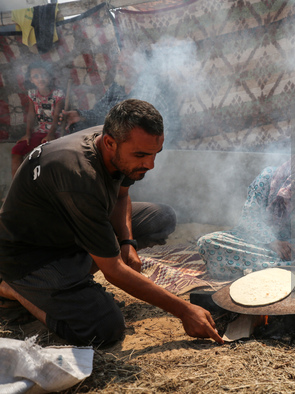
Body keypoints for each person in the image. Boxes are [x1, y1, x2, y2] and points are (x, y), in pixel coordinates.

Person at [0, 99, 223, 346]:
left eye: (154, 154)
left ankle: (75, 277)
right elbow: (114, 271)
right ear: (109, 143)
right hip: (30, 258)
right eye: (141, 155)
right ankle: (14, 290)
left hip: (68, 232)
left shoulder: (113, 138)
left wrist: (128, 242)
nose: (150, 165)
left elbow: (121, 194)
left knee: (161, 217)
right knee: (104, 330)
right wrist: (184, 310)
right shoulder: (81, 178)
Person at [197, 147, 295, 280]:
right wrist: (271, 241)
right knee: (207, 242)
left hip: (287, 247)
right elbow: (249, 217)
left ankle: (249, 270)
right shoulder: (268, 176)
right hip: (255, 240)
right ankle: (283, 272)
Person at [59, 48, 179, 138]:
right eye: (118, 63)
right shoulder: (117, 87)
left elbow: (166, 127)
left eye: (125, 64)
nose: (119, 68)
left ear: (139, 67)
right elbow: (99, 112)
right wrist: (80, 115)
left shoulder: (152, 92)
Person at [11, 61, 65, 178]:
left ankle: (44, 187)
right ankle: (16, 189)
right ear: (31, 80)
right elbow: (31, 115)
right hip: (39, 132)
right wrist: (27, 134)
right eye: (36, 76)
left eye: (44, 75)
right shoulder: (32, 94)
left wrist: (50, 135)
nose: (40, 79)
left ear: (50, 76)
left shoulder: (58, 94)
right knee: (16, 150)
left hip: (55, 133)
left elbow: (56, 117)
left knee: (44, 153)